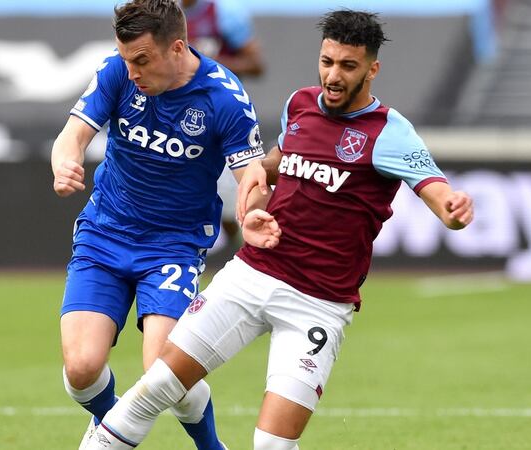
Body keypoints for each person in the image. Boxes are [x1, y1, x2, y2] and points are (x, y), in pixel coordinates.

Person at [81, 9, 474, 450]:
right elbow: (272, 168)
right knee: (154, 388)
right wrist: (254, 199)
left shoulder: (390, 132)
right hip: (252, 275)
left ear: (372, 68)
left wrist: (453, 210)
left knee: (271, 445)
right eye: (327, 62)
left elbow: (438, 194)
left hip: (318, 304)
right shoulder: (300, 105)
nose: (333, 76)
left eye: (348, 66)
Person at [50, 0, 264, 448]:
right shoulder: (117, 71)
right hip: (104, 234)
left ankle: (211, 446)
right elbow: (72, 135)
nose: (132, 72)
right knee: (82, 368)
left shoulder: (224, 97)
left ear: (178, 48)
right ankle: (111, 421)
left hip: (173, 246)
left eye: (142, 60)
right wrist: (65, 163)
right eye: (127, 59)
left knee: (164, 372)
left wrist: (255, 210)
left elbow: (252, 176)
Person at [180, 0, 266, 258]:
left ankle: (249, 250)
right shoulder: (164, 12)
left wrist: (213, 62)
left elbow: (256, 64)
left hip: (220, 120)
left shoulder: (223, 14)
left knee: (232, 204)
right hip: (176, 118)